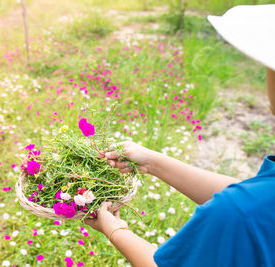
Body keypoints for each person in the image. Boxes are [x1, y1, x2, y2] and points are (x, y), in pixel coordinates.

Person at [85, 4, 275, 267]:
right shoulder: (251, 206)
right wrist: (152, 162)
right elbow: (255, 200)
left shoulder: (238, 215)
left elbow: (245, 208)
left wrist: (115, 230)